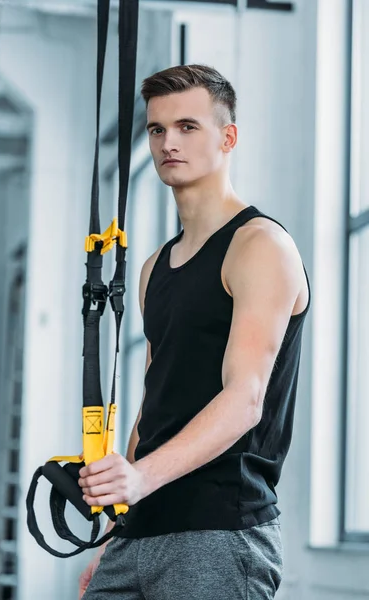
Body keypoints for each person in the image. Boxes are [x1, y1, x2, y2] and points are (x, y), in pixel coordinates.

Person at [78, 64, 310, 599]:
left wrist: (138, 480)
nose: (167, 143)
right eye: (157, 129)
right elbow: (153, 404)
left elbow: (245, 399)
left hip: (218, 531)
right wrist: (118, 526)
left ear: (228, 138)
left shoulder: (259, 246)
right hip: (141, 528)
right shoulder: (154, 266)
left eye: (187, 126)